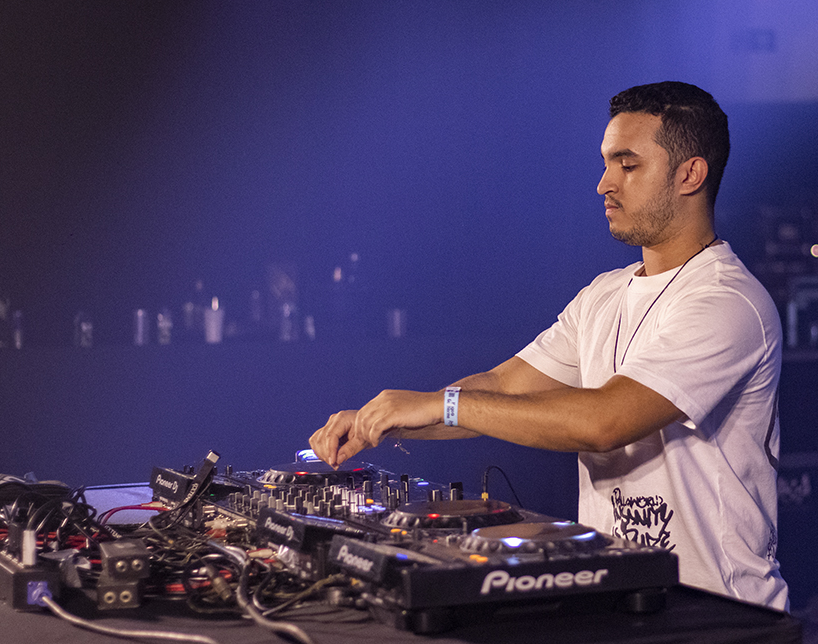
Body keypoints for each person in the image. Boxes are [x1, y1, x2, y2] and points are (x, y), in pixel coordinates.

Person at [310, 81, 789, 610]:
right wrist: (385, 420)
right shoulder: (603, 294)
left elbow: (605, 422)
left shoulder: (727, 301)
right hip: (623, 601)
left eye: (628, 165)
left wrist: (441, 404)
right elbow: (499, 388)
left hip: (716, 613)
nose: (604, 184)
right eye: (606, 163)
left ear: (690, 175)